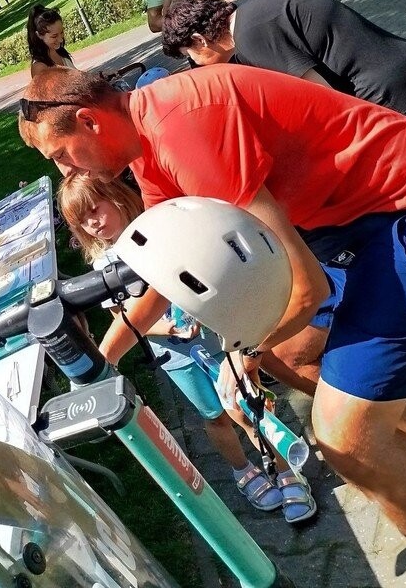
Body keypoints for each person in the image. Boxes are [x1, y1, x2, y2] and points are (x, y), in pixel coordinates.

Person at [17, 67, 406, 588]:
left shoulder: (183, 129)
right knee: (289, 357)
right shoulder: (147, 139)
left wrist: (243, 350)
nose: (65, 170)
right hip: (351, 222)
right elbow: (165, 273)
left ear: (89, 121)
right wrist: (97, 366)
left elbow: (308, 289)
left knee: (346, 440)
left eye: (60, 155)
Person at [162, 0, 406, 360]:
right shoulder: (260, 10)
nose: (197, 67)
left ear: (200, 40)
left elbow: (322, 100)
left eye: (191, 57)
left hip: (391, 97)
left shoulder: (252, 35)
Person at [59, 174, 317, 525]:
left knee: (246, 407)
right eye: (82, 220)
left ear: (116, 196)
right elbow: (123, 317)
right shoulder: (103, 268)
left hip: (217, 339)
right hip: (176, 358)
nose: (93, 222)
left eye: (95, 208)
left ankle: (284, 469)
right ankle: (243, 471)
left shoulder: (161, 229)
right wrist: (164, 328)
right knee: (214, 415)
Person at [27, 4, 75, 76]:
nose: (60, 40)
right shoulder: (39, 67)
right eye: (54, 36)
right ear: (39, 35)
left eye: (61, 32)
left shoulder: (60, 52)